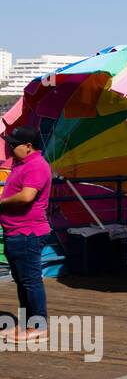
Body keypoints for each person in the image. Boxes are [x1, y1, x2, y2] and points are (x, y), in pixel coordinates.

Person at [1, 126, 53, 343]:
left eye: (13, 145)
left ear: (28, 146)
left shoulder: (36, 166)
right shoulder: (22, 165)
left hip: (27, 231)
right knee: (22, 280)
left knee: (30, 280)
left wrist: (1, 202)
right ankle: (27, 324)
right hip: (16, 230)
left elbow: (26, 196)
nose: (10, 149)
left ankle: (38, 325)